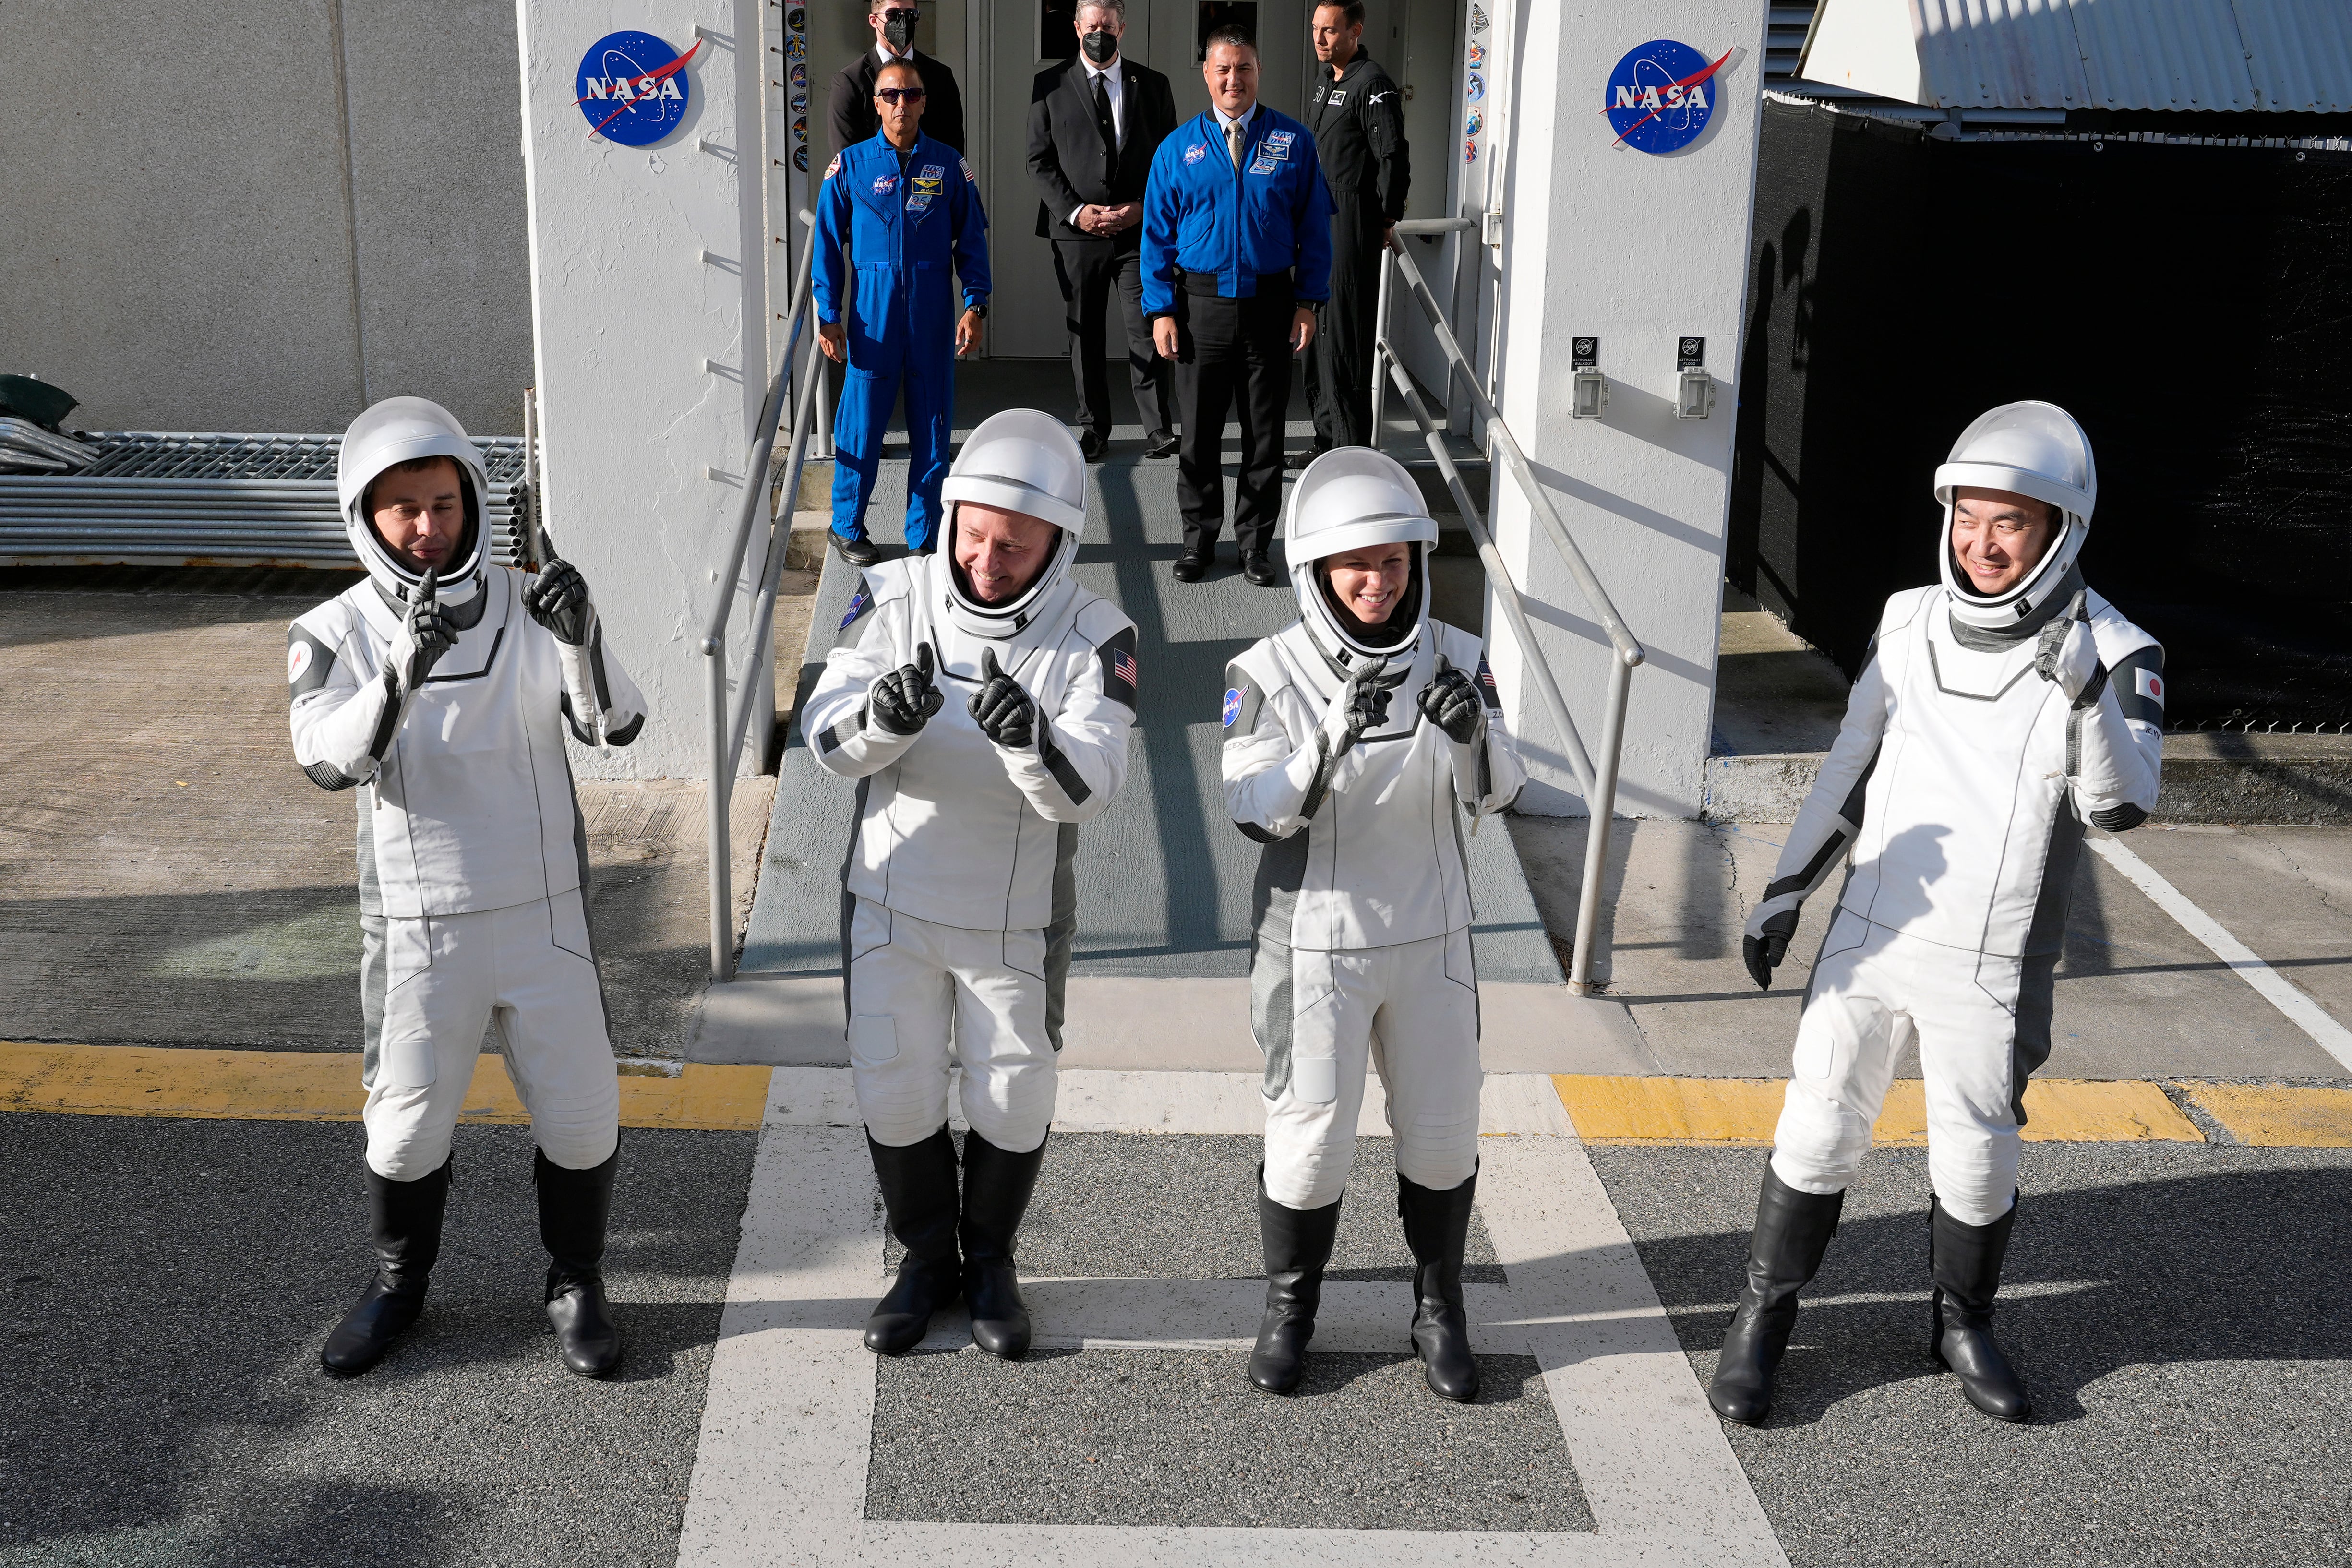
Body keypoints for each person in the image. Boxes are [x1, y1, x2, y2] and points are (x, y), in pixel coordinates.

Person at [1714, 402, 2164, 1427]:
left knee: (1974, 1146)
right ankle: (1763, 1316)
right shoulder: (1908, 616)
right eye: (1968, 516)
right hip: (1872, 930)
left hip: (1992, 955)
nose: (1982, 541)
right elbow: (1851, 759)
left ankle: (1960, 1320)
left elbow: (2119, 805)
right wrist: (1785, 887)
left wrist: (2089, 696)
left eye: (2009, 522)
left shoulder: (2119, 646)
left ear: (2059, 528)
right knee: (1815, 1123)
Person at [288, 397, 648, 1380]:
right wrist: (401, 667)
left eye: (442, 502)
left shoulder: (535, 599)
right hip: (420, 925)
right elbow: (324, 758)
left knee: (582, 1114)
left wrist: (580, 631)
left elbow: (616, 723)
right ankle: (398, 1285)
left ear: (470, 501)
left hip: (544, 911)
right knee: (404, 1132)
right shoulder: (336, 628)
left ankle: (576, 1282)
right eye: (401, 508)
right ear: (363, 514)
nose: (426, 527)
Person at [802, 410, 1138, 1362]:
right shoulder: (888, 590)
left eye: (1015, 545)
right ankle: (922, 1259)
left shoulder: (1098, 632)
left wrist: (1031, 735)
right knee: (892, 1084)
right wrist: (881, 715)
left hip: (1012, 918)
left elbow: (1094, 784)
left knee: (1013, 1093)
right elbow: (827, 736)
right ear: (948, 520)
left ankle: (989, 1259)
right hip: (887, 899)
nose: (988, 561)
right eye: (975, 536)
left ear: (1056, 545)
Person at [1221, 449, 1525, 1401]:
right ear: (1314, 569)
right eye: (1355, 563)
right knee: (1309, 1142)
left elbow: (1503, 790)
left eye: (1393, 560)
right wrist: (1327, 737)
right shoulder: (1264, 669)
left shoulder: (1463, 656)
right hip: (1316, 945)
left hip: (1430, 939)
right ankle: (1290, 1308)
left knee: (1440, 1138)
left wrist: (1473, 735)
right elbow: (1250, 807)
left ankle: (1439, 1306)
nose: (1376, 580)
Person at [1142, 24, 1333, 587]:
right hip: (1200, 310)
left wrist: (1308, 303)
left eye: (1243, 67)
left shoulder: (1293, 143)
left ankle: (1254, 546)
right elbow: (1154, 238)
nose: (1234, 79)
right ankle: (1197, 543)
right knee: (1199, 437)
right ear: (1206, 75)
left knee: (1265, 436)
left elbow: (1314, 232)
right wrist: (1161, 311)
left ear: (1258, 72)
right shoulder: (1178, 149)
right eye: (1223, 69)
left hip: (1271, 307)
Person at [815, 57, 990, 567]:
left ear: (924, 102)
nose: (901, 104)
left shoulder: (949, 166)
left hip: (932, 312)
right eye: (891, 95)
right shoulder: (849, 167)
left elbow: (972, 243)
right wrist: (828, 314)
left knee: (932, 428)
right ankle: (846, 526)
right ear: (875, 102)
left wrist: (976, 304)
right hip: (872, 316)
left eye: (911, 95)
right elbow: (827, 245)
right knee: (861, 425)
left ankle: (925, 533)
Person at [1027, 0, 1181, 462]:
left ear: (1122, 28)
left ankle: (1158, 428)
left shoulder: (1153, 86)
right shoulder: (1049, 85)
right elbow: (1039, 159)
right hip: (1077, 234)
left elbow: (1167, 159)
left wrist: (1141, 207)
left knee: (1145, 326)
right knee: (1086, 332)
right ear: (1077, 29)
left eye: (1108, 25)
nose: (1100, 33)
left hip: (1138, 233)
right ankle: (1094, 428)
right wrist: (1077, 213)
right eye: (1092, 25)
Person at [1293, 1, 1408, 467]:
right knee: (1313, 337)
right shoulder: (1326, 81)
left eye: (1330, 31)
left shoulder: (1372, 84)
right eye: (1316, 30)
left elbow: (1393, 156)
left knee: (1343, 339)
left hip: (1350, 219)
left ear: (1354, 31)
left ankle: (1350, 451)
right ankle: (1324, 439)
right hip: (1316, 220)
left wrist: (1385, 217)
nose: (1320, 39)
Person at [828, 0, 965, 159]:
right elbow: (847, 162)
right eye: (892, 14)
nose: (903, 22)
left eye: (910, 14)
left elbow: (954, 154)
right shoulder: (850, 82)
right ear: (874, 21)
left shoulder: (941, 77)